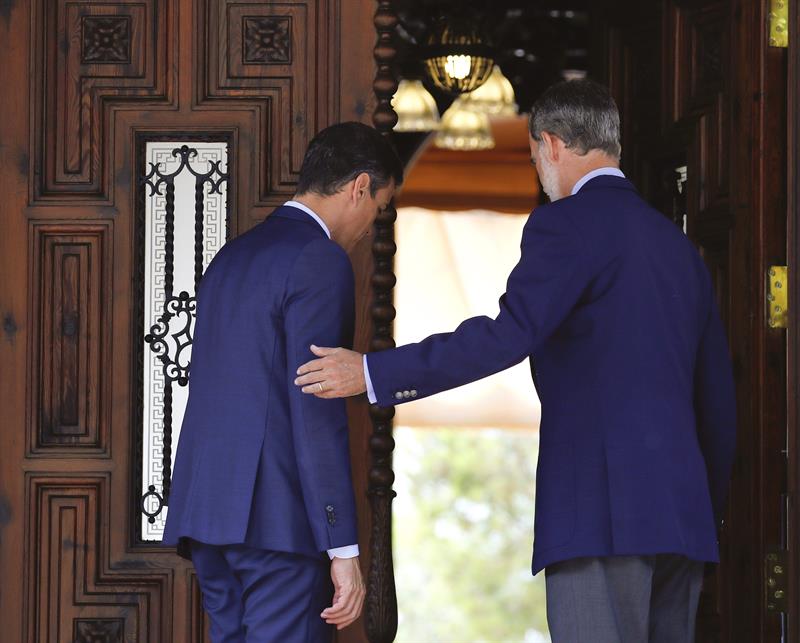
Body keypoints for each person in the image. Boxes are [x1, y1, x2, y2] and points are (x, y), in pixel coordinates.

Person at [293, 80, 737, 643]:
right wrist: (705, 510)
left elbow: (509, 335)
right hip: (683, 521)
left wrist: (374, 372)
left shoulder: (566, 223)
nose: (539, 175)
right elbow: (716, 398)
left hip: (601, 517)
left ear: (551, 145)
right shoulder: (680, 247)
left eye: (532, 159)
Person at [163, 121, 403, 642]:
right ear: (360, 186)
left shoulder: (229, 259)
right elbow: (316, 407)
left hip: (209, 520)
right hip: (277, 525)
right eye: (378, 209)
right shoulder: (320, 260)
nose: (370, 227)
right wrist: (342, 547)